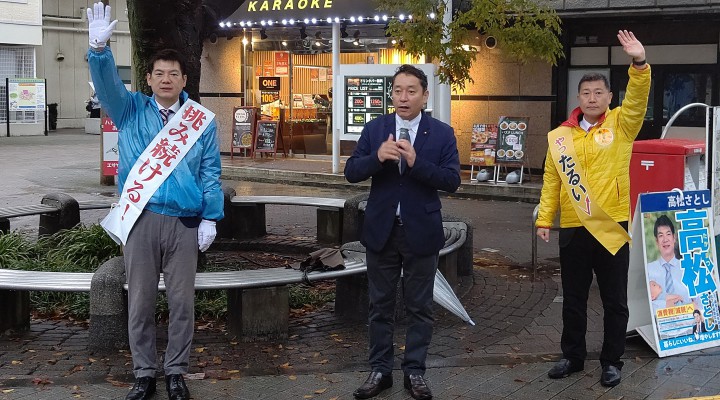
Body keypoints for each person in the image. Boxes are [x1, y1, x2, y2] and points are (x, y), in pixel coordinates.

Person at [86, 3, 223, 400]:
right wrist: (99, 50)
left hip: (184, 224)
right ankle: (144, 372)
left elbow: (210, 173)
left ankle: (177, 371)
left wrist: (211, 217)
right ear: (148, 79)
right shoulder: (130, 111)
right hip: (141, 219)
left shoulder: (201, 122)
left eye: (173, 74)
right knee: (140, 303)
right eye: (159, 73)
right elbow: (108, 85)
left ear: (184, 79)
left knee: (182, 304)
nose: (166, 79)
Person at [535, 30, 651, 388]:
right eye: (585, 93)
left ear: (609, 97)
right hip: (573, 226)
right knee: (573, 298)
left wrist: (640, 63)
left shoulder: (621, 124)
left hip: (612, 223)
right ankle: (572, 355)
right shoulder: (561, 136)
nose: (592, 98)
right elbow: (552, 180)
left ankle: (612, 361)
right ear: (578, 97)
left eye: (599, 92)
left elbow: (636, 101)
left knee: (614, 299)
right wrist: (544, 217)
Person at [344, 64, 460, 400]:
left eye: (411, 90)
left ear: (425, 95)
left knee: (419, 306)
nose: (403, 97)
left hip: (421, 230)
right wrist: (377, 157)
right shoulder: (375, 128)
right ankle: (380, 370)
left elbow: (452, 181)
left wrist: (416, 163)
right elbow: (352, 172)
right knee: (379, 304)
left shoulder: (441, 133)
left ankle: (415, 372)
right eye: (397, 90)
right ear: (391, 94)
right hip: (381, 230)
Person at [646, 215, 692, 311]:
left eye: (668, 234)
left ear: (674, 238)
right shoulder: (648, 270)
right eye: (661, 235)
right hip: (660, 324)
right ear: (657, 242)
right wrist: (666, 305)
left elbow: (699, 302)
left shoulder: (687, 267)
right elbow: (646, 303)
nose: (665, 239)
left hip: (689, 322)